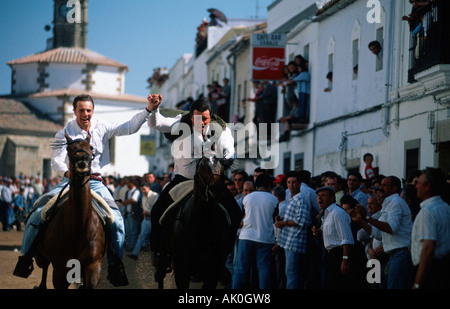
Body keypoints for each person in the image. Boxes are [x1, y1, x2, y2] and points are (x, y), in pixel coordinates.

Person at [13, 94, 152, 286]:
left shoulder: (102, 127)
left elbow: (129, 127)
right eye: (81, 110)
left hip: (95, 182)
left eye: (88, 110)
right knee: (37, 214)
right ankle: (25, 259)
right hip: (69, 181)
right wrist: (68, 173)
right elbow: (56, 160)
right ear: (74, 111)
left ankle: (115, 265)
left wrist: (148, 110)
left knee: (117, 221)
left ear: (92, 111)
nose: (85, 114)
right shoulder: (63, 133)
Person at [146, 94, 242, 283]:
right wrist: (153, 108)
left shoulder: (222, 130)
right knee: (157, 211)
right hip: (183, 180)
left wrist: (224, 159)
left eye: (205, 118)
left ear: (211, 117)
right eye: (197, 118)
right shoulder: (180, 124)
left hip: (210, 182)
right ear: (191, 117)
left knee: (236, 214)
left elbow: (230, 150)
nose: (202, 122)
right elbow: (155, 123)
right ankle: (160, 255)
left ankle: (222, 258)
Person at [349, 176, 413, 289]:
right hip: (390, 256)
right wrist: (360, 220)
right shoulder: (388, 204)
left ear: (394, 188)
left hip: (399, 254)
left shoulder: (396, 202)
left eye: (384, 185)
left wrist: (367, 218)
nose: (380, 188)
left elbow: (391, 228)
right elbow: (378, 234)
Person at [232, 173, 278, 289]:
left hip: (246, 236)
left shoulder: (247, 198)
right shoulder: (273, 199)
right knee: (264, 270)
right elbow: (275, 219)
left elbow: (243, 216)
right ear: (269, 185)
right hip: (265, 238)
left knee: (241, 269)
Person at [411, 167, 450, 289]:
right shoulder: (446, 207)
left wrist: (417, 283)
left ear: (427, 187)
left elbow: (428, 247)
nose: (416, 186)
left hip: (430, 270)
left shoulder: (427, 212)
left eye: (418, 183)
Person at [312, 186, 354, 289]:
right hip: (330, 255)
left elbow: (346, 238)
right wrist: (319, 234)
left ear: (331, 198)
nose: (319, 198)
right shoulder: (327, 214)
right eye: (318, 196)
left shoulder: (337, 213)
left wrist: (345, 260)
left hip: (338, 256)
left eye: (323, 195)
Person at [275, 171, 311, 289]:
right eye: (289, 182)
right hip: (288, 241)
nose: (291, 185)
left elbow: (301, 220)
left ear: (299, 184)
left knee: (292, 273)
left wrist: (284, 223)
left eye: (294, 182)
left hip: (294, 242)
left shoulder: (300, 199)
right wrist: (282, 220)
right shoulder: (291, 199)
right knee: (290, 273)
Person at [127, 182, 159, 260]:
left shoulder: (155, 195)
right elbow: (144, 208)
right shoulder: (143, 197)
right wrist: (145, 212)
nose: (143, 191)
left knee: (154, 237)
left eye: (144, 189)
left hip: (154, 219)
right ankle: (135, 253)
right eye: (142, 190)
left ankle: (157, 254)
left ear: (148, 187)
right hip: (147, 219)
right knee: (142, 236)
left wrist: (148, 212)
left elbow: (157, 208)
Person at [122, 177, 142, 251]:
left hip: (134, 214)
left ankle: (132, 246)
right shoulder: (127, 192)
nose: (127, 184)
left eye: (128, 182)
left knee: (133, 231)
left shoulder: (136, 191)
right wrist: (127, 201)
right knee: (128, 231)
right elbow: (125, 202)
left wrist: (126, 202)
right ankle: (130, 245)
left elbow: (133, 200)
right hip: (128, 214)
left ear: (132, 183)